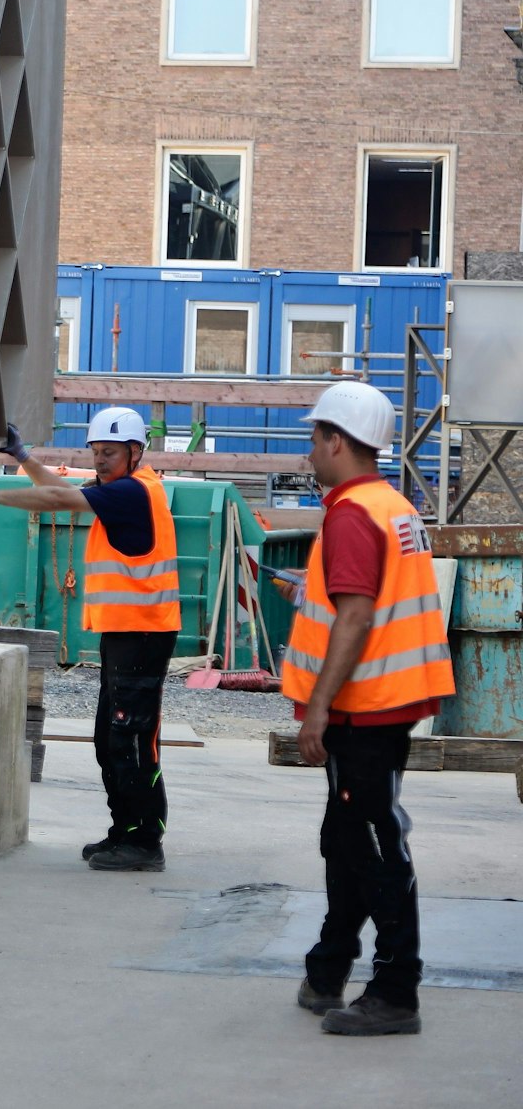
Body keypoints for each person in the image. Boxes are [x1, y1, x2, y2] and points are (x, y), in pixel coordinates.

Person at [282, 382, 452, 1037]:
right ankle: (329, 967)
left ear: (338, 441)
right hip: (389, 700)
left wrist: (317, 708)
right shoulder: (393, 506)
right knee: (347, 838)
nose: (310, 452)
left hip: (365, 706)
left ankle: (395, 989)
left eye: (315, 438)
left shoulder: (354, 514)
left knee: (374, 845)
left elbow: (354, 616)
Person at [0, 409, 178, 873]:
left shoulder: (134, 493)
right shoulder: (125, 487)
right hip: (126, 632)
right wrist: (21, 456)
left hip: (143, 633)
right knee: (109, 738)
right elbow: (58, 490)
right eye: (96, 453)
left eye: (109, 454)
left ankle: (143, 841)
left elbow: (57, 500)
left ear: (136, 452)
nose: (100, 462)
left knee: (132, 739)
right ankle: (124, 831)